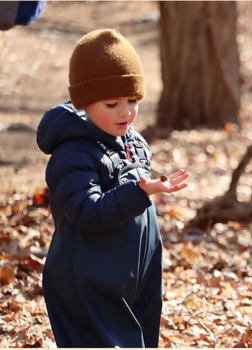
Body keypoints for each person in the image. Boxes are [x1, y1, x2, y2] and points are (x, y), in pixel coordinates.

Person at [36, 29, 189, 348]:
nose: (126, 112)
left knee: (141, 339)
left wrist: (148, 188)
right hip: (90, 281)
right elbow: (86, 211)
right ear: (84, 102)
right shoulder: (73, 153)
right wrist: (139, 192)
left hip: (134, 274)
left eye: (133, 100)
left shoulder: (132, 141)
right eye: (112, 103)